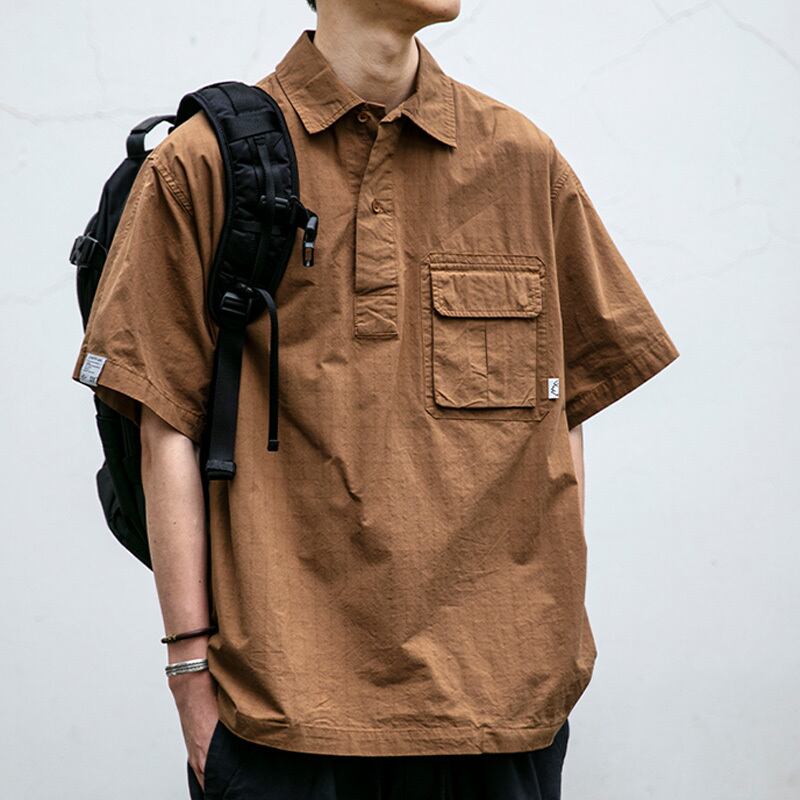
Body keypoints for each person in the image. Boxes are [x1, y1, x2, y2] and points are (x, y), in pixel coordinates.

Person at [70, 1, 680, 797]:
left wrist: (544, 640)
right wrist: (191, 683)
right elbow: (166, 430)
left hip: (500, 714)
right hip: (279, 714)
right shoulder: (205, 164)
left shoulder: (521, 160)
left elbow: (562, 416)